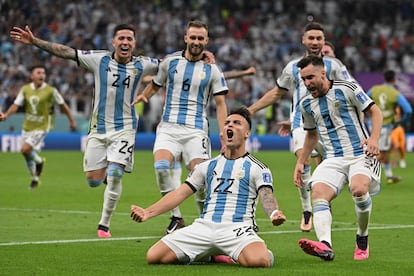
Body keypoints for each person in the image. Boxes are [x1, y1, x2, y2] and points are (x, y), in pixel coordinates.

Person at [9, 24, 160, 238]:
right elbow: (66, 52)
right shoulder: (99, 60)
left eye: (129, 39)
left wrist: (199, 57)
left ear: (134, 43)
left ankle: (104, 225)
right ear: (113, 42)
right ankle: (105, 173)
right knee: (93, 180)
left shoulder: (142, 64)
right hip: (98, 128)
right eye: (121, 38)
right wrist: (35, 41)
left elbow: (171, 66)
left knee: (116, 173)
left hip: (125, 128)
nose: (125, 42)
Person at [130, 107, 286, 267]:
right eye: (227, 123)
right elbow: (179, 194)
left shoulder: (257, 167)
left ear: (247, 133)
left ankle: (238, 252)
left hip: (237, 228)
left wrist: (274, 213)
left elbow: (266, 194)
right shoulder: (206, 166)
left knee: (259, 261)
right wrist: (147, 213)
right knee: (154, 256)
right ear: (223, 133)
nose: (230, 126)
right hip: (204, 227)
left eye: (236, 123)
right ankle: (209, 255)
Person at [248, 22, 355, 232]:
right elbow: (277, 93)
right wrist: (250, 110)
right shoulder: (293, 67)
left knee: (329, 167)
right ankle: (307, 210)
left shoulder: (335, 65)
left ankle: (324, 201)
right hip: (301, 124)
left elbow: (351, 90)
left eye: (319, 38)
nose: (315, 42)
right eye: (311, 38)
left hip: (330, 126)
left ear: (324, 41)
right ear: (303, 40)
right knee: (303, 160)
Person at [132, 20, 228, 234]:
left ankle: (206, 222)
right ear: (185, 38)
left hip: (196, 131)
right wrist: (144, 95)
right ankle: (176, 217)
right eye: (192, 37)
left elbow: (221, 104)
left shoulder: (212, 69)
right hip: (168, 128)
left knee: (200, 180)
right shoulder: (170, 62)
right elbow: (156, 84)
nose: (196, 42)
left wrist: (224, 135)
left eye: (200, 38)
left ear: (206, 41)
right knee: (161, 167)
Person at [293, 55, 382, 261]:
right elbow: (312, 135)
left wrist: (374, 138)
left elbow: (375, 111)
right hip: (333, 158)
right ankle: (325, 245)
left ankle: (362, 236)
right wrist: (301, 161)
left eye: (310, 78)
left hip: (360, 153)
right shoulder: (306, 104)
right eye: (304, 79)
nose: (307, 83)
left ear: (323, 73)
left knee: (359, 190)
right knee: (318, 194)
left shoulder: (347, 88)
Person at [0, 65, 76, 189]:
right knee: (26, 154)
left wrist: (72, 120)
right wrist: (6, 115)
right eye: (38, 72)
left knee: (24, 150)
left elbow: (63, 106)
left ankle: (39, 162)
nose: (41, 75)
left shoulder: (51, 91)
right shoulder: (25, 89)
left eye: (43, 73)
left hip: (42, 126)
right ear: (32, 76)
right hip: (27, 126)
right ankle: (35, 177)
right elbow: (16, 105)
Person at [367, 70, 412, 183]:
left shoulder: (374, 89)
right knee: (380, 153)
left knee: (386, 151)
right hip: (385, 126)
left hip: (372, 124)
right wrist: (399, 122)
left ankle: (389, 176)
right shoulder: (395, 93)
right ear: (394, 78)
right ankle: (364, 176)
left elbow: (363, 101)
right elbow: (408, 110)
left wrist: (368, 116)